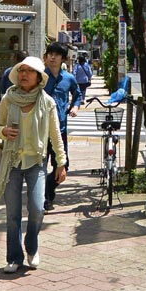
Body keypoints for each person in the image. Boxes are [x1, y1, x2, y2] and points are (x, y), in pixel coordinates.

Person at [0, 55, 66, 273]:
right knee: (12, 213)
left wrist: (61, 162)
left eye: (29, 71)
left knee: (37, 209)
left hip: (36, 161)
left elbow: (56, 134)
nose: (24, 74)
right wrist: (3, 132)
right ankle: (14, 258)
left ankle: (31, 247)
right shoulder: (8, 98)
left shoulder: (47, 102)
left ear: (38, 77)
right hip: (12, 161)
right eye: (21, 70)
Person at [42, 42, 84, 210]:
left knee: (62, 166)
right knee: (40, 165)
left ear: (63, 58)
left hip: (60, 129)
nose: (52, 57)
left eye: (56, 54)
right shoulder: (40, 76)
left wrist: (75, 106)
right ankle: (44, 199)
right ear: (45, 57)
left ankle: (48, 190)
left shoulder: (69, 78)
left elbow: (78, 94)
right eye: (50, 54)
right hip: (40, 129)